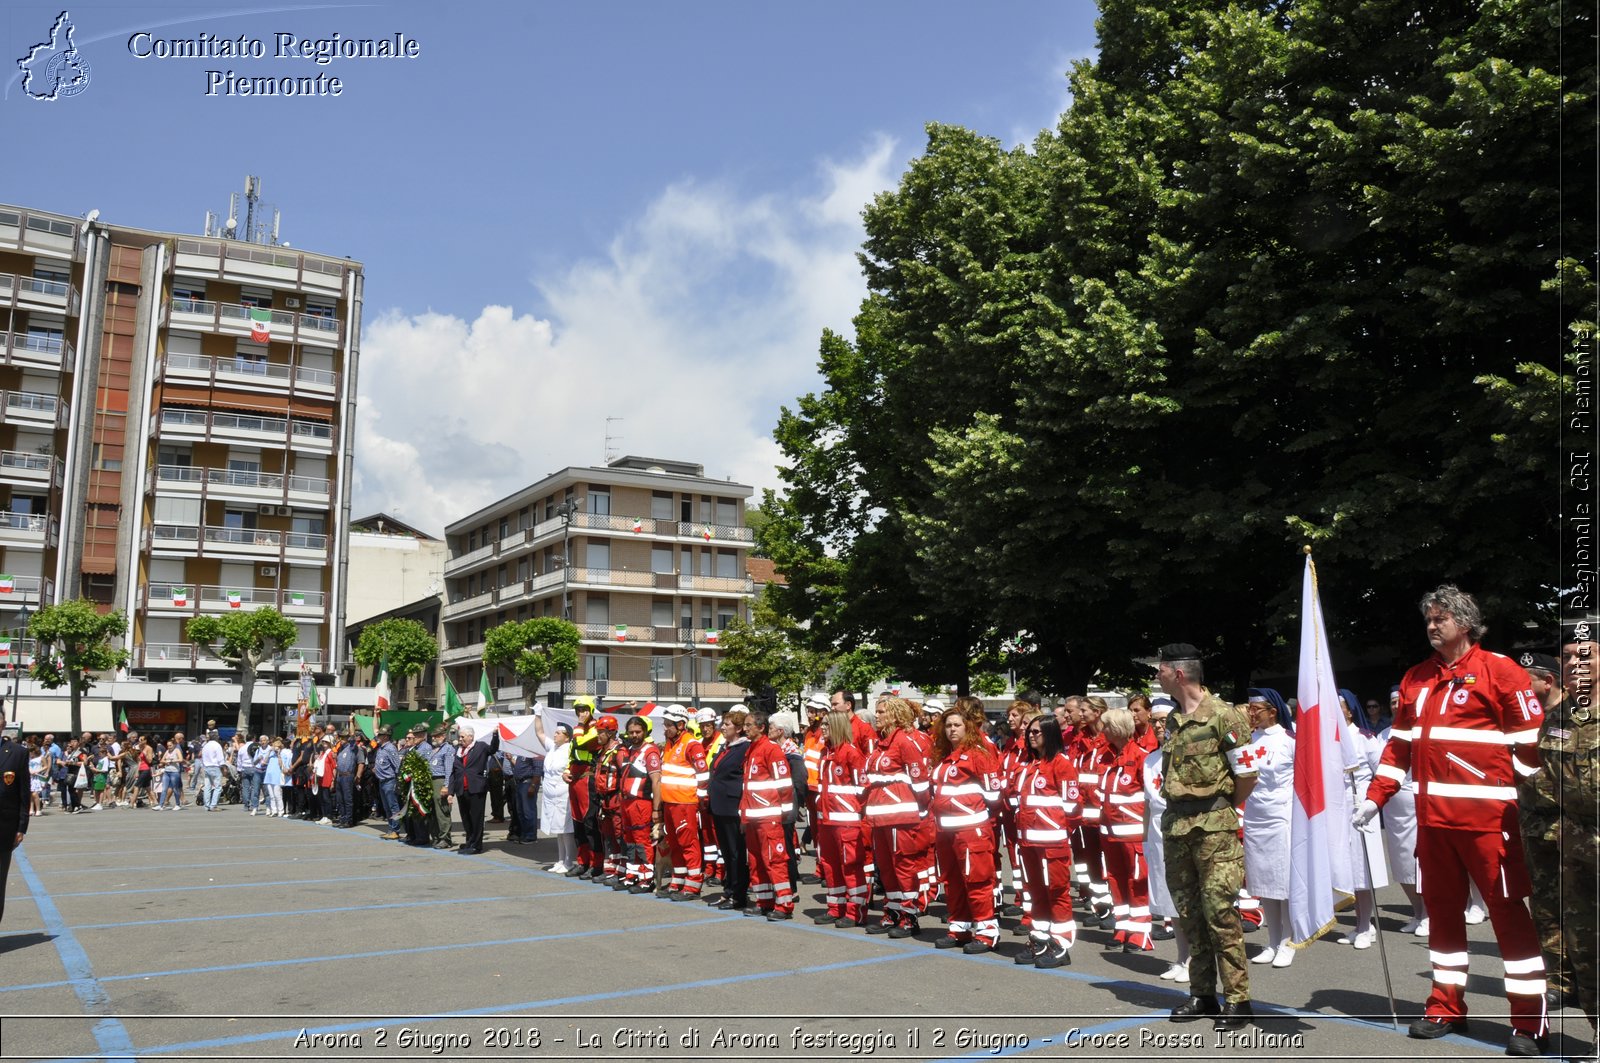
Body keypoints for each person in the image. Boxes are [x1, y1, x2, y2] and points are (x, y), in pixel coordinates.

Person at [1356, 584, 1548, 1055]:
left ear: (1465, 622)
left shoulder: (1501, 671)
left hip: (1490, 824)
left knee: (1508, 919)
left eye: (1441, 618)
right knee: (1443, 920)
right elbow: (1397, 749)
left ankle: (1527, 1023)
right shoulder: (1416, 678)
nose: (1432, 625)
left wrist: (1517, 796)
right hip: (1434, 826)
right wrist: (1374, 798)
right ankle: (1445, 1006)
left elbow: (1533, 746)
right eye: (1428, 619)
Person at [1156, 642, 1258, 1030]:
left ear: (1179, 673)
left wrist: (1221, 807)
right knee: (1190, 915)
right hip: (1177, 826)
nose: (1157, 675)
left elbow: (1247, 775)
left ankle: (1238, 999)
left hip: (1214, 829)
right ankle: (1202, 995)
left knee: (1220, 914)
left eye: (1161, 669)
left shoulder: (1225, 716)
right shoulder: (1172, 720)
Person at [1515, 650, 1575, 1011]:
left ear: (1547, 681)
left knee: (1582, 912)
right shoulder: (1527, 718)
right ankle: (1560, 981)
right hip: (1535, 827)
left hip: (1569, 828)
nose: (1518, 689)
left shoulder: (1575, 716)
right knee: (1545, 909)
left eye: (1526, 682)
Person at [1549, 615, 1599, 1045]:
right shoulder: (1557, 718)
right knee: (1584, 952)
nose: (1573, 663)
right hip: (1575, 851)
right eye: (1566, 657)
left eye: (1584, 654)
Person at [929, 703, 1000, 954]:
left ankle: (987, 931)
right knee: (952, 880)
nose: (951, 730)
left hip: (971, 830)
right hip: (946, 831)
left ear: (967, 726)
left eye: (957, 725)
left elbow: (994, 794)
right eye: (947, 725)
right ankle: (959, 927)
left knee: (977, 880)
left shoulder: (979, 754)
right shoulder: (943, 755)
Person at [862, 697, 931, 938]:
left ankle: (909, 915)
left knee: (903, 866)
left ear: (894, 715)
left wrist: (921, 812)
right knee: (887, 868)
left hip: (899, 816)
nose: (877, 716)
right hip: (879, 817)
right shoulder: (882, 743)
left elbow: (921, 780)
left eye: (881, 712)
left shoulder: (904, 742)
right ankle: (891, 911)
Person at [1238, 689, 1295, 967]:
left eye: (1256, 709)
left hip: (1281, 817)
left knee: (1282, 882)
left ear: (1273, 711)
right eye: (1250, 709)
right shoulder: (1249, 740)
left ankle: (1288, 942)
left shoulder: (1290, 740)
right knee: (1263, 882)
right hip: (1255, 816)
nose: (1251, 714)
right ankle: (1272, 941)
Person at [1098, 707, 1153, 952]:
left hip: (1133, 833)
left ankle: (1140, 932)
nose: (1103, 730)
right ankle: (1122, 926)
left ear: (1118, 728)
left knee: (1137, 882)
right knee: (1116, 881)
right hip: (1110, 833)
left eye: (1107, 726)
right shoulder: (1106, 757)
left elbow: (1151, 797)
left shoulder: (1142, 756)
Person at [739, 710, 798, 919]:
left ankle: (784, 905)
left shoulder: (771, 750)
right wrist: (744, 817)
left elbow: (784, 785)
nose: (744, 729)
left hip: (769, 817)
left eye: (748, 725)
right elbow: (748, 786)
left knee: (775, 861)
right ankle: (764, 901)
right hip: (754, 817)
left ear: (761, 727)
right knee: (755, 861)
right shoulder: (752, 749)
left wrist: (783, 816)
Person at [815, 708, 868, 927]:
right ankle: (836, 907)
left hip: (846, 821)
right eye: (822, 724)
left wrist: (856, 815)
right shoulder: (824, 753)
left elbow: (863, 789)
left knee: (851, 867)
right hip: (826, 821)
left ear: (837, 726)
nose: (822, 728)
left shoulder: (851, 753)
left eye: (827, 724)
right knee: (829, 865)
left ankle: (856, 912)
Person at [658, 706, 709, 899]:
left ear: (681, 724)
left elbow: (704, 775)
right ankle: (678, 879)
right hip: (670, 803)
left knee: (688, 842)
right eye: (665, 725)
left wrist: (701, 800)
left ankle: (694, 883)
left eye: (669, 725)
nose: (665, 729)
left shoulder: (691, 744)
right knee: (674, 843)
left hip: (685, 803)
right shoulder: (670, 743)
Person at [706, 709, 750, 910]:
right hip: (720, 807)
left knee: (736, 853)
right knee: (726, 851)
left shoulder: (744, 748)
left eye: (727, 724)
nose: (722, 727)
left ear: (739, 729)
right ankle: (729, 890)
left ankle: (738, 894)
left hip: (733, 807)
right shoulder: (726, 747)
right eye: (722, 723)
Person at [618, 716, 662, 893]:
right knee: (629, 841)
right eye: (631, 732)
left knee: (642, 841)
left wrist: (657, 810)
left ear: (645, 732)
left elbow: (657, 781)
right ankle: (632, 875)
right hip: (627, 803)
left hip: (641, 803)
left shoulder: (649, 751)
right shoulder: (629, 750)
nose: (634, 735)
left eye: (638, 732)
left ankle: (647, 879)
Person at [451, 723, 500, 854]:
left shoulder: (481, 746)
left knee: (476, 818)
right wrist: (451, 791)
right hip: (462, 789)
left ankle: (476, 845)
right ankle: (469, 841)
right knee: (466, 818)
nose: (460, 739)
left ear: (470, 736)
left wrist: (495, 735)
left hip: (476, 788)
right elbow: (454, 770)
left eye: (462, 737)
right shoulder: (459, 751)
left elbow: (493, 749)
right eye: (459, 737)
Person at [0, 711, 27, 922]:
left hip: (4, 827)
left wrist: (21, 826)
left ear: (3, 723)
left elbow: (23, 792)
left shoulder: (17, 752)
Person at [540, 723, 576, 872]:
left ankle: (569, 861)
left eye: (558, 733)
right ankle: (560, 860)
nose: (555, 735)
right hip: (550, 795)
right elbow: (539, 733)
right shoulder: (552, 748)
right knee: (557, 830)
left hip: (563, 793)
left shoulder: (570, 749)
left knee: (566, 829)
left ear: (567, 737)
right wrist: (538, 715)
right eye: (555, 732)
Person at [425, 725, 456, 848]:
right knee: (433, 812)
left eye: (437, 736)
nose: (434, 738)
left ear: (443, 736)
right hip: (432, 781)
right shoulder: (435, 749)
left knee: (442, 811)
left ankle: (445, 838)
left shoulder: (448, 749)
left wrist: (446, 786)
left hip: (440, 780)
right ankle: (436, 836)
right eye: (433, 736)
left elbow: (449, 769)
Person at [371, 727, 402, 839]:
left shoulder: (390, 748)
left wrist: (398, 781)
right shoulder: (381, 748)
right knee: (387, 807)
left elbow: (397, 765)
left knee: (394, 807)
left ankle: (396, 830)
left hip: (390, 781)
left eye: (380, 735)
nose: (378, 737)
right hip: (382, 781)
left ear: (386, 736)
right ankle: (390, 829)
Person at [199, 730, 226, 811]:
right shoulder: (217, 745)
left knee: (207, 787)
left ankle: (206, 805)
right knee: (218, 787)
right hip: (215, 767)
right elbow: (220, 758)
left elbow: (202, 757)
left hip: (206, 767)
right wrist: (223, 767)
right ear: (216, 737)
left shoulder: (205, 746)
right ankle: (213, 805)